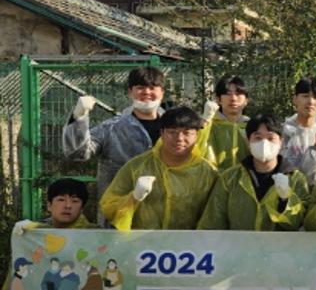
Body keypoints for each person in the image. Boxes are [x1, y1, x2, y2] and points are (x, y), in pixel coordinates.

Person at [62, 67, 167, 224]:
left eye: (152, 87)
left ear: (162, 92)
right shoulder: (111, 128)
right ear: (130, 92)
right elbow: (78, 153)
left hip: (166, 218)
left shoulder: (176, 128)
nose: (146, 92)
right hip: (118, 217)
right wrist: (79, 116)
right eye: (140, 87)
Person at [100, 106, 218, 231]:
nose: (179, 138)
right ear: (162, 133)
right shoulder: (136, 167)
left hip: (189, 242)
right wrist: (133, 197)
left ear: (197, 136)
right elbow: (108, 207)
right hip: (140, 241)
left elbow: (215, 217)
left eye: (187, 133)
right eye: (172, 132)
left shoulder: (208, 173)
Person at [198, 114, 311, 231]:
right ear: (248, 141)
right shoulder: (230, 178)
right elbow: (212, 223)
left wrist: (286, 199)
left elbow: (299, 224)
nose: (264, 143)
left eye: (270, 138)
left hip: (279, 243)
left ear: (281, 142)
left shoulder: (296, 178)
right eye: (258, 138)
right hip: (240, 243)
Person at [198, 75, 251, 171]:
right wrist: (204, 122)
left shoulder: (252, 127)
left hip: (245, 179)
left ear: (246, 100)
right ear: (218, 99)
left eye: (238, 93)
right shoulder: (208, 126)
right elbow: (194, 150)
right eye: (228, 93)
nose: (233, 98)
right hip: (212, 178)